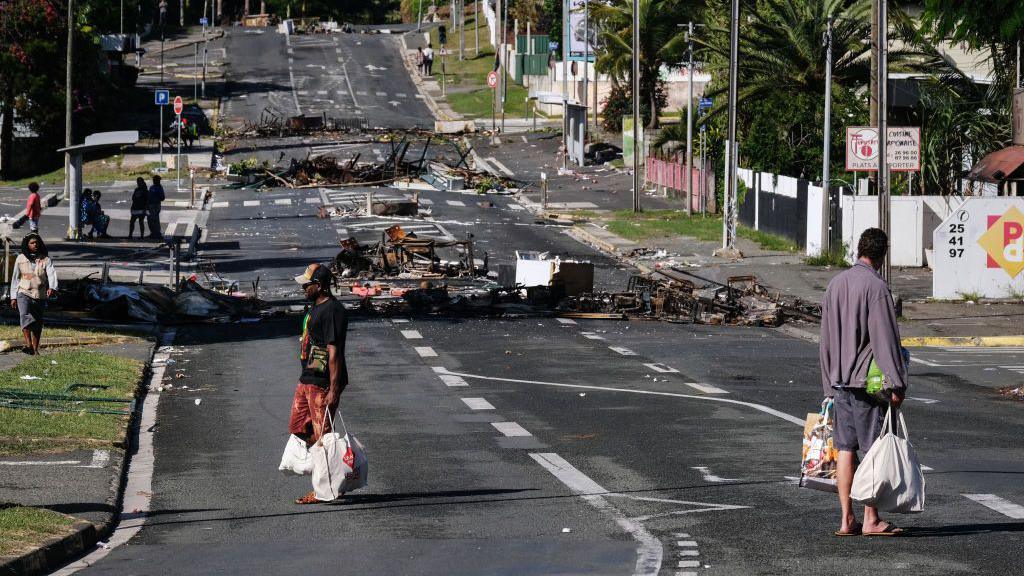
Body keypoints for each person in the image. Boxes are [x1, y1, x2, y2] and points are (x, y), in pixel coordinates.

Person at [819, 227, 908, 537]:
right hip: (867, 386)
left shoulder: (835, 284)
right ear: (881, 256)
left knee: (845, 449)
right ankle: (871, 518)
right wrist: (897, 383)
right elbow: (885, 340)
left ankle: (846, 519)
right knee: (872, 450)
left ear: (859, 250)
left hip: (839, 383)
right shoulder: (876, 287)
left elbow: (826, 340)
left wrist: (829, 382)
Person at [289, 263, 348, 505]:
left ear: (320, 286)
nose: (304, 287)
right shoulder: (315, 306)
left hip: (322, 383)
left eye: (307, 284)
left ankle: (324, 488)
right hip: (307, 379)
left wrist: (333, 389)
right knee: (297, 427)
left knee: (322, 437)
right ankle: (328, 470)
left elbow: (334, 352)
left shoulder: (333, 310)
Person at [8, 234, 57, 355]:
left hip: (39, 293)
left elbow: (51, 274)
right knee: (24, 316)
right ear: (27, 245)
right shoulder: (20, 258)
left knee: (37, 321)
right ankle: (28, 344)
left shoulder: (45, 259)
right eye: (32, 243)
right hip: (23, 292)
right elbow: (15, 278)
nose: (35, 245)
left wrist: (52, 287)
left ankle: (35, 349)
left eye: (36, 242)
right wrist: (13, 296)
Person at [147, 175, 165, 239]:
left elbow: (162, 197)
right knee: (150, 219)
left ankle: (157, 233)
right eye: (154, 179)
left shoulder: (159, 188)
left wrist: (157, 197)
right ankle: (152, 233)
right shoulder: (152, 187)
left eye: (155, 180)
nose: (154, 181)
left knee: (155, 219)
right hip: (150, 205)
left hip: (155, 205)